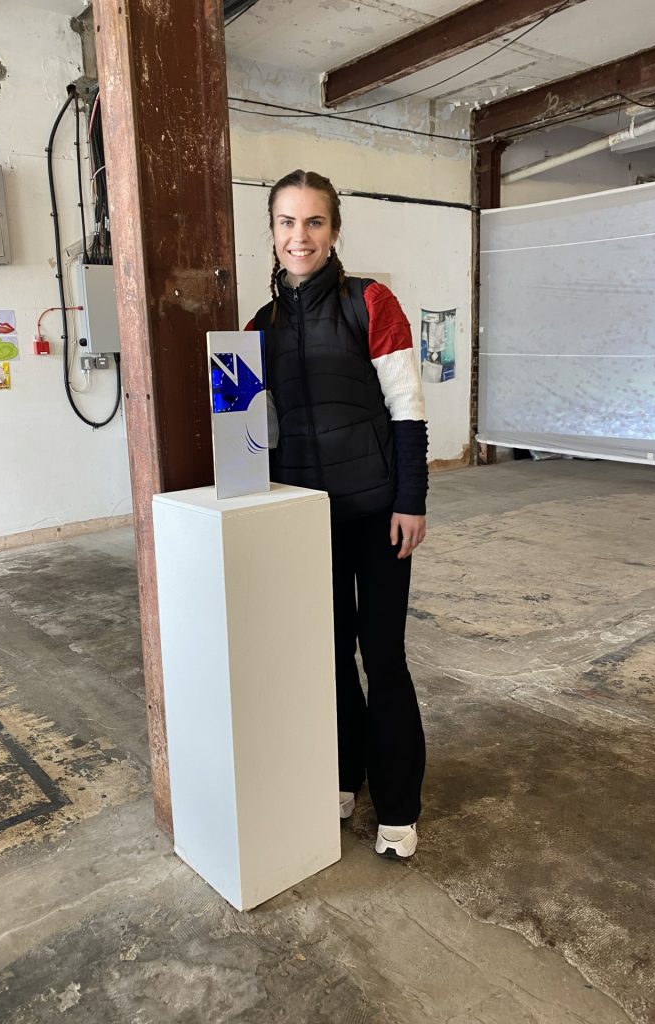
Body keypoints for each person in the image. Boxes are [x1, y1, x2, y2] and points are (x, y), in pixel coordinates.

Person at [246, 169, 428, 859]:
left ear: (334, 230)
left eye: (314, 222)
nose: (301, 237)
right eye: (288, 223)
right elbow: (249, 434)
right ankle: (344, 774)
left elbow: (407, 410)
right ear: (272, 233)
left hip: (378, 516)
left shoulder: (370, 303)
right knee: (326, 657)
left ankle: (400, 807)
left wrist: (412, 499)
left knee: (383, 658)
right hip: (301, 521)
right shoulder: (258, 328)